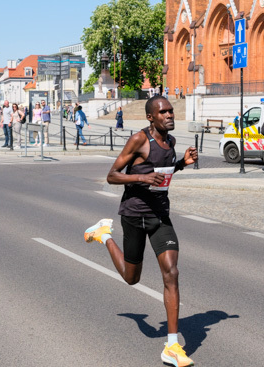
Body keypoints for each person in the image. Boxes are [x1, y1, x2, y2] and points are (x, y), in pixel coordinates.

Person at [83, 95, 198, 367]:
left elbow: (163, 172)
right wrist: (141, 177)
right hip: (134, 215)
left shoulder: (170, 142)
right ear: (151, 117)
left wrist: (181, 164)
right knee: (131, 278)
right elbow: (112, 175)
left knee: (172, 272)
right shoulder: (139, 140)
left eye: (171, 111)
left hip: (160, 215)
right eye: (164, 112)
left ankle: (172, 346)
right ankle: (104, 235)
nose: (170, 115)